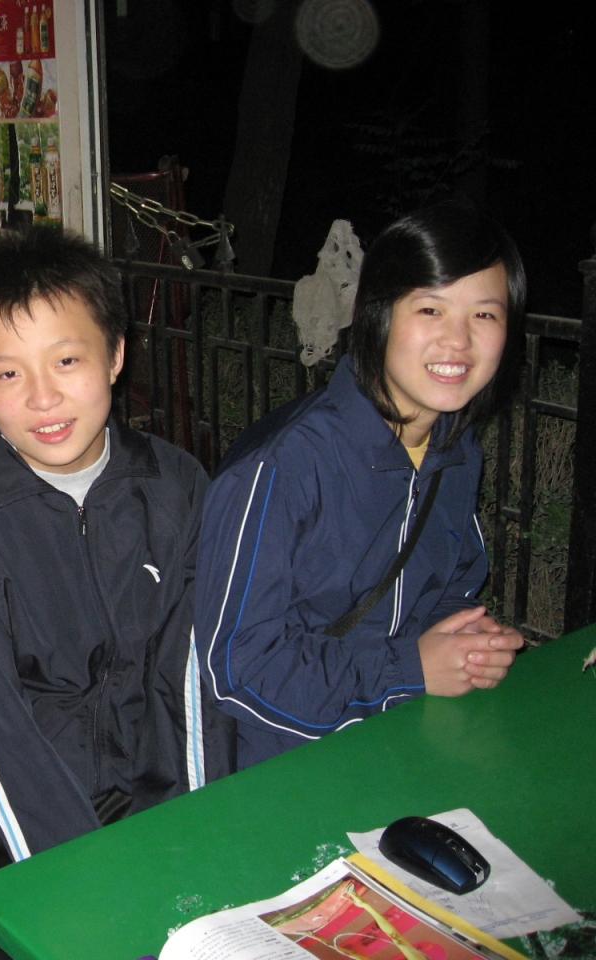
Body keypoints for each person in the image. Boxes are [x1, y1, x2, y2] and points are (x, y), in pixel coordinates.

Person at [0, 226, 235, 958]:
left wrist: (195, 827)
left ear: (115, 355)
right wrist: (82, 872)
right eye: (8, 374)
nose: (42, 398)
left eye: (67, 361)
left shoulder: (173, 486)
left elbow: (189, 682)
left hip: (137, 781)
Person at [195, 202, 528, 769]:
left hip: (401, 740)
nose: (458, 340)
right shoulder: (281, 467)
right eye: (431, 309)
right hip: (280, 767)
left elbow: (453, 583)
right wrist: (410, 670)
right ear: (378, 314)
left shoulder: (455, 447)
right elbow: (238, 668)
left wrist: (468, 645)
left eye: (485, 315)